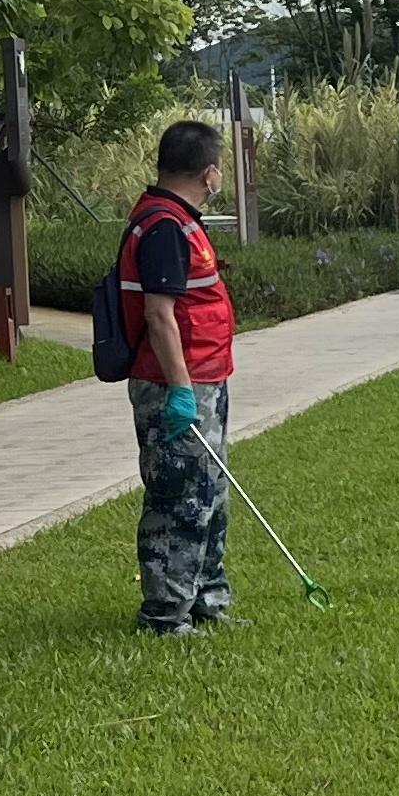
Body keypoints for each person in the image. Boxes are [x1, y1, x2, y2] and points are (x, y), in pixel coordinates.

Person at [118, 120, 237, 635]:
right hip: (176, 385)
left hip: (207, 378)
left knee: (210, 492)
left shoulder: (179, 219)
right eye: (220, 170)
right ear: (209, 173)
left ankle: (206, 599)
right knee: (179, 496)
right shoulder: (164, 226)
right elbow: (159, 315)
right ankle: (165, 613)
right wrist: (182, 391)